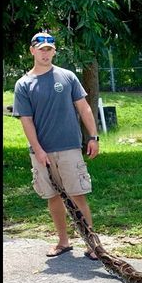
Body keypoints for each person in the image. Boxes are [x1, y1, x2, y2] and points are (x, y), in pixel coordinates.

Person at [13, 31, 102, 259]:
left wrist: (93, 137)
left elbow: (84, 108)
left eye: (49, 50)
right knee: (53, 197)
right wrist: (39, 151)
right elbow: (27, 121)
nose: (46, 54)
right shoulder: (24, 84)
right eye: (41, 50)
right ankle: (63, 242)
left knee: (77, 195)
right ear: (32, 50)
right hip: (41, 152)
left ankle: (92, 244)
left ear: (54, 51)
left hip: (70, 149)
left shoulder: (67, 76)